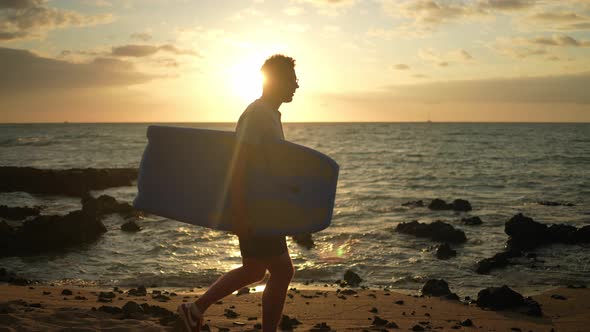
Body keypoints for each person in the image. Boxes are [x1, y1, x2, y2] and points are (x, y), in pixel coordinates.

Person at [177, 54, 300, 332]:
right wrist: (241, 212)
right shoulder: (257, 115)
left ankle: (193, 310)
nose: (296, 85)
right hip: (256, 210)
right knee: (282, 271)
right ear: (276, 81)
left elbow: (264, 166)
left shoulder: (268, 114)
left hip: (263, 208)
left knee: (256, 269)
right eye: (292, 79)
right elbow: (238, 164)